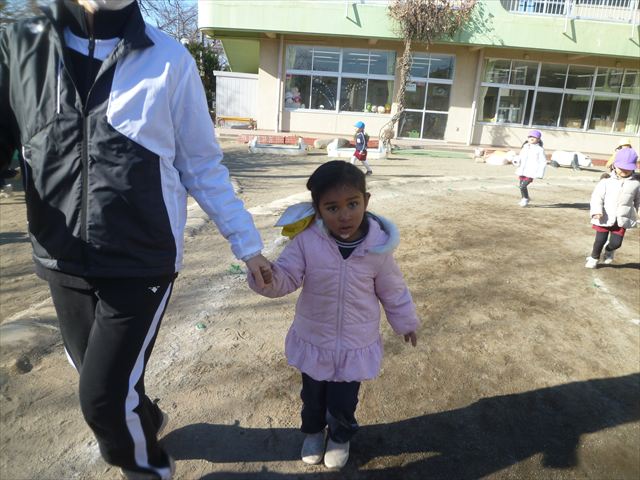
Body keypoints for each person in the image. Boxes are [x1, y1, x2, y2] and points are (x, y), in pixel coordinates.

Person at [0, 1, 271, 479]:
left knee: (102, 398)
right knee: (106, 379)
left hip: (142, 261)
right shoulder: (20, 44)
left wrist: (247, 246)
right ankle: (147, 418)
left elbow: (201, 164)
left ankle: (149, 470)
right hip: (61, 258)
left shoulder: (169, 59)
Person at [249, 160, 419, 469]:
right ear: (318, 210)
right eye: (332, 207)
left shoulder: (378, 249)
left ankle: (340, 437)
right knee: (312, 398)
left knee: (343, 402)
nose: (344, 215)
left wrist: (405, 322)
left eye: (352, 204)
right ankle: (314, 433)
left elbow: (393, 290)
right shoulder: (306, 242)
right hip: (315, 340)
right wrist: (269, 277)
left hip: (355, 344)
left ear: (366, 201)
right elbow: (287, 277)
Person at [585, 148, 639, 269]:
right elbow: (596, 197)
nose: (624, 170)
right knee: (599, 241)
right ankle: (594, 258)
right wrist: (596, 211)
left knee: (616, 243)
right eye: (621, 167)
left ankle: (609, 250)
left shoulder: (635, 184)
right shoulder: (606, 182)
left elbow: (638, 201)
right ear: (614, 165)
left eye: (627, 168)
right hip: (604, 217)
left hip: (621, 219)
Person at [513, 130, 547, 207]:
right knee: (521, 186)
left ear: (538, 139)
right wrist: (516, 160)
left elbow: (543, 162)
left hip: (531, 171)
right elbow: (520, 156)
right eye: (530, 136)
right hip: (522, 170)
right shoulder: (525, 147)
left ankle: (525, 199)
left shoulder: (540, 149)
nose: (532, 138)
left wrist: (540, 173)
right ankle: (525, 198)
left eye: (534, 137)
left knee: (523, 186)